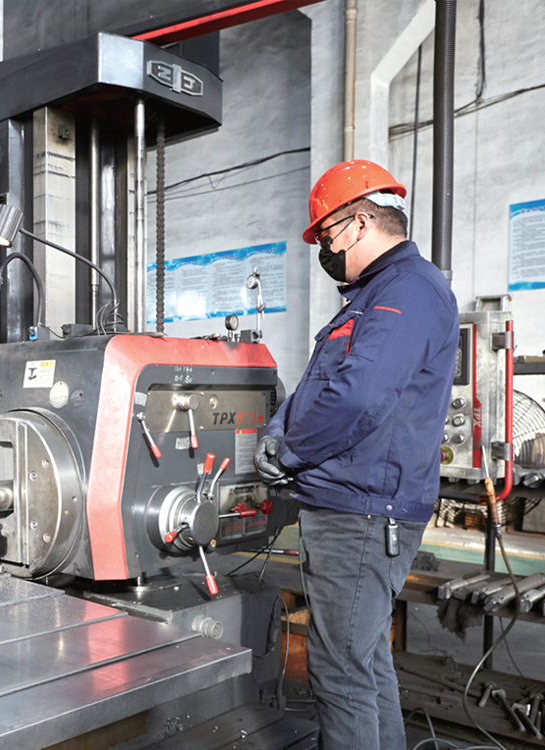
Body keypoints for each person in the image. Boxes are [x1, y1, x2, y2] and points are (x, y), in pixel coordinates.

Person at [254, 160, 459, 750]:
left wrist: (290, 452)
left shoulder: (408, 291)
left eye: (326, 236)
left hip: (362, 514)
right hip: (355, 506)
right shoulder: (374, 296)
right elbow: (322, 385)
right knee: (364, 661)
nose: (324, 250)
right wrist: (278, 431)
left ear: (361, 222)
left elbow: (359, 396)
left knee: (340, 673)